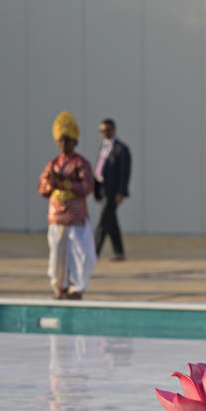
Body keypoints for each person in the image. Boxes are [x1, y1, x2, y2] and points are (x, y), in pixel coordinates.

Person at [38, 111, 97, 300]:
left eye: (67, 141)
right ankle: (60, 287)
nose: (63, 145)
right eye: (61, 141)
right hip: (57, 216)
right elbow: (42, 187)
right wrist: (52, 184)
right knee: (57, 255)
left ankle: (76, 287)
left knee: (81, 253)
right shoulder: (53, 164)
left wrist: (66, 184)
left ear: (75, 142)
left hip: (76, 216)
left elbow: (87, 186)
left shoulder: (81, 163)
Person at [93, 118, 131, 261]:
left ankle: (94, 252)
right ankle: (119, 252)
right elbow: (98, 170)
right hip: (102, 191)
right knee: (111, 222)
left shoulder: (122, 149)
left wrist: (121, 192)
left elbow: (124, 172)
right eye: (102, 131)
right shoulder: (104, 147)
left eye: (107, 130)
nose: (105, 133)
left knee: (103, 223)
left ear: (113, 130)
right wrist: (96, 191)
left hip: (113, 192)